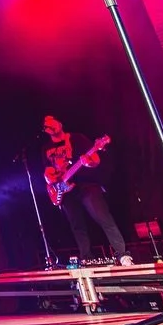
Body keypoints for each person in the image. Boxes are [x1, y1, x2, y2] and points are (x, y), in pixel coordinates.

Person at [41, 114, 132, 266]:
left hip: (86, 185)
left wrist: (89, 162)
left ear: (60, 123)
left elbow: (95, 159)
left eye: (53, 123)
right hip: (64, 190)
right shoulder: (46, 148)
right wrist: (51, 180)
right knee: (77, 226)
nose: (51, 126)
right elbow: (47, 172)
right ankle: (86, 258)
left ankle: (122, 255)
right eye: (47, 125)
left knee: (104, 218)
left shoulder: (77, 138)